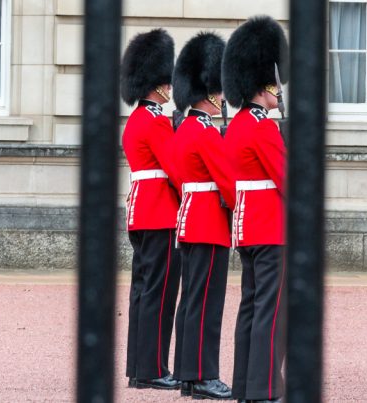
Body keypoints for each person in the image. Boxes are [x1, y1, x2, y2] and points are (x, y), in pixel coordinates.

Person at [221, 16, 289, 402]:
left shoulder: (239, 125)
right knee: (270, 311)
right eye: (275, 87)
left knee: (250, 307)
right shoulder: (263, 127)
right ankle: (264, 387)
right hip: (269, 228)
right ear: (265, 86)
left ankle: (245, 384)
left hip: (247, 227)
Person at [169, 32, 235, 400]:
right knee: (207, 304)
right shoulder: (207, 134)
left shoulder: (182, 130)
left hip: (189, 219)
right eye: (220, 92)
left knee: (190, 301)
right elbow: (228, 184)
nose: (224, 99)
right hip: (209, 224)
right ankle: (203, 375)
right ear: (210, 92)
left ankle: (186, 374)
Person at [119, 28, 181, 391]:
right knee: (160, 292)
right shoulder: (157, 121)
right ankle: (154, 368)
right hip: (161, 213)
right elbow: (175, 168)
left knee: (142, 291)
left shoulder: (135, 121)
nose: (171, 89)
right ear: (157, 84)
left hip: (140, 211)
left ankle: (139, 367)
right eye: (167, 83)